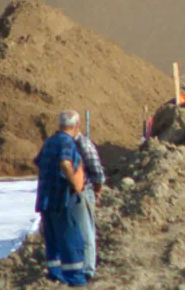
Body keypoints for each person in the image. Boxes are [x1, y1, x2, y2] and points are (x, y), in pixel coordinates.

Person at [35, 110, 91, 287]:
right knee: (70, 238)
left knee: (52, 239)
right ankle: (75, 279)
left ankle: (55, 274)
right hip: (61, 199)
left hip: (46, 198)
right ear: (76, 126)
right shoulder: (67, 142)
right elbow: (65, 163)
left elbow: (38, 161)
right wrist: (75, 184)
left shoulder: (50, 141)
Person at [74, 123, 106, 280]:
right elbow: (97, 171)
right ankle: (86, 268)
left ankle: (82, 267)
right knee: (86, 231)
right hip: (81, 191)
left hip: (72, 193)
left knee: (79, 230)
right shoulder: (81, 144)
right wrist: (97, 190)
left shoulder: (59, 143)